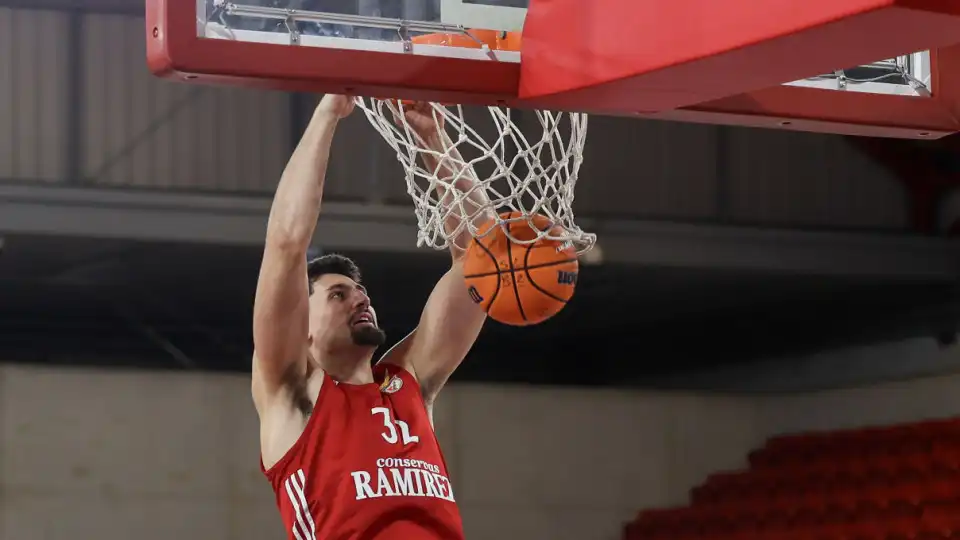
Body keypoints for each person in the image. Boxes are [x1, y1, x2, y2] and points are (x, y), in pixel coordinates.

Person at [252, 94, 490, 540]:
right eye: (338, 294)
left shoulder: (408, 381)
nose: (360, 300)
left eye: (361, 291)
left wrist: (434, 139)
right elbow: (286, 243)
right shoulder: (292, 392)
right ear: (301, 324)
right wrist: (327, 112)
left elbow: (480, 264)